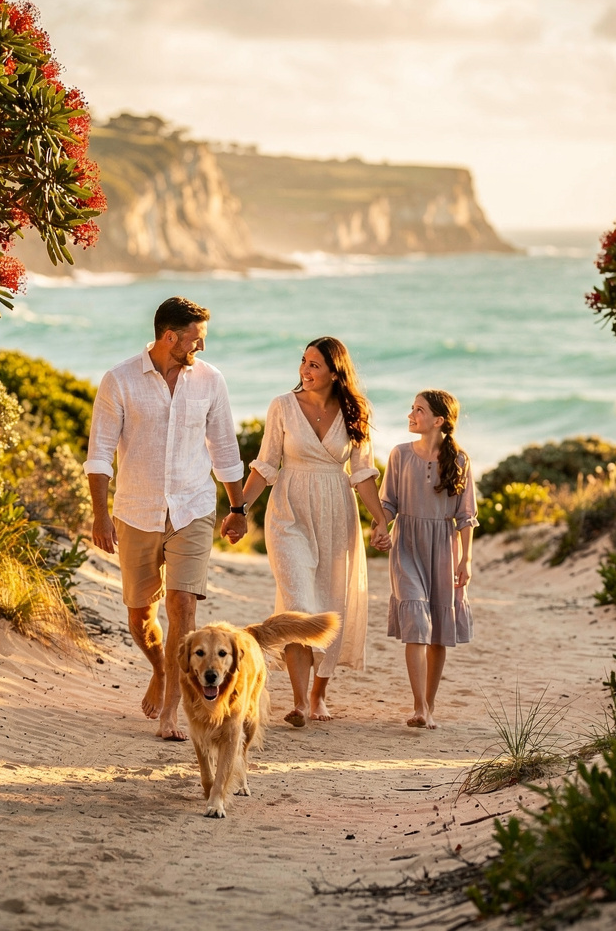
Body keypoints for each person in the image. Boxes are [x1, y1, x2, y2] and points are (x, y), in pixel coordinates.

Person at [85, 297, 249, 741]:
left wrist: (237, 509)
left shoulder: (211, 380)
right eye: (196, 338)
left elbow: (224, 449)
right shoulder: (118, 381)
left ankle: (174, 715)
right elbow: (99, 455)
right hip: (136, 511)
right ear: (169, 337)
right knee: (141, 617)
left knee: (183, 606)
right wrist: (100, 515)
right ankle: (161, 668)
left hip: (193, 508)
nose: (201, 346)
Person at [235, 337, 391, 727]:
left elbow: (362, 473)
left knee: (331, 604)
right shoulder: (282, 407)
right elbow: (266, 465)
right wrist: (240, 509)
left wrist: (380, 519)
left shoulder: (356, 411)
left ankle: (319, 693)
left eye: (315, 365)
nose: (305, 370)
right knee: (298, 606)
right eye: (303, 362)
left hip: (337, 514)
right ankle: (300, 702)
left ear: (335, 372)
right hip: (288, 513)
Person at [379, 390, 477, 730]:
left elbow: (466, 517)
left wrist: (466, 560)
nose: (411, 414)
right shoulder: (399, 455)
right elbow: (388, 502)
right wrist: (380, 526)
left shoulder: (460, 460)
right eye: (411, 408)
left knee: (438, 630)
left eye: (418, 410)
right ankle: (419, 707)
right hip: (405, 543)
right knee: (417, 623)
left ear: (438, 420)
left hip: (443, 549)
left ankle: (429, 706)